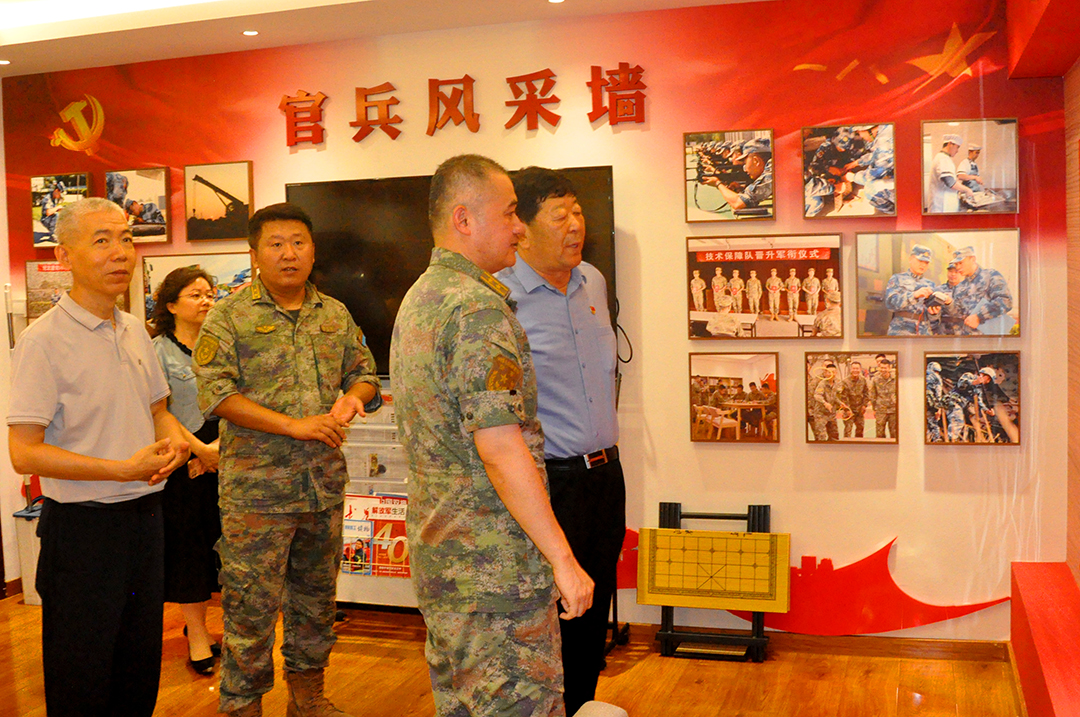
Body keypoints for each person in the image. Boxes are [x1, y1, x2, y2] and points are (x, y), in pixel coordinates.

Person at [389, 155, 593, 717]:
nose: (520, 228)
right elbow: (500, 448)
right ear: (464, 220)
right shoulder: (477, 309)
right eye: (509, 213)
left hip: (445, 560)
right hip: (495, 573)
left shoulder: (421, 298)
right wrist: (563, 559)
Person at [194, 202, 382, 717]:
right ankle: (242, 704)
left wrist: (355, 398)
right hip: (256, 495)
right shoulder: (229, 316)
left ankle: (307, 696)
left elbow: (364, 372)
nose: (288, 253)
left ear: (313, 250)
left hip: (321, 487)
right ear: (255, 254)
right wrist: (292, 426)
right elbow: (216, 395)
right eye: (275, 244)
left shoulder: (334, 314)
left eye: (298, 242)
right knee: (249, 608)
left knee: (316, 603)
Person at [7, 197, 190, 715]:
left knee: (138, 666)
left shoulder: (133, 328)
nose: (120, 253)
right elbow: (23, 452)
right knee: (82, 676)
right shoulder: (43, 342)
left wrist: (176, 441)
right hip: (83, 532)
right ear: (65, 256)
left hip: (145, 520)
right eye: (102, 240)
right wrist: (120, 470)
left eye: (126, 239)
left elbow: (158, 409)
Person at [497, 166, 625, 715]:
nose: (576, 225)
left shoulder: (592, 279)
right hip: (549, 481)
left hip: (606, 475)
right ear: (521, 227)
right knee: (545, 614)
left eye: (578, 212)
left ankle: (581, 707)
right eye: (559, 216)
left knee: (593, 610)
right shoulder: (499, 296)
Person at [149, 266, 223, 676]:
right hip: (183, 458)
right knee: (189, 551)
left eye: (210, 293)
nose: (206, 300)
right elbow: (159, 411)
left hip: (226, 453)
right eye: (196, 294)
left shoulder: (224, 345)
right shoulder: (157, 352)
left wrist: (218, 451)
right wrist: (200, 452)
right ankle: (196, 633)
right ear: (172, 305)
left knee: (225, 547)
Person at [948, 246, 1013, 335]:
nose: (958, 267)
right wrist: (948, 304)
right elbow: (958, 314)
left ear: (973, 259)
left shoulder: (990, 276)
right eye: (956, 264)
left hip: (989, 338)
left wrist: (979, 316)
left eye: (960, 263)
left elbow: (1006, 301)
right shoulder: (959, 287)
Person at [884, 244, 937, 335]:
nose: (923, 265)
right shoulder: (897, 278)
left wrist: (935, 312)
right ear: (910, 259)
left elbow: (933, 317)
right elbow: (890, 303)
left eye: (926, 262)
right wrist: (914, 295)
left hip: (924, 331)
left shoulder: (931, 284)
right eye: (920, 260)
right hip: (901, 329)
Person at [714, 137, 773, 213]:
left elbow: (738, 203)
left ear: (756, 161)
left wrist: (717, 183)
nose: (745, 169)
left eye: (745, 163)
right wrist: (742, 189)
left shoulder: (771, 172)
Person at [945, 367, 995, 442]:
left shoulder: (979, 389)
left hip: (961, 404)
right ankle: (951, 440)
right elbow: (960, 384)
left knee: (960, 421)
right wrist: (974, 382)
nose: (987, 382)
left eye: (989, 381)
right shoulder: (969, 376)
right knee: (958, 420)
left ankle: (953, 439)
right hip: (953, 401)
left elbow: (979, 402)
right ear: (982, 374)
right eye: (987, 379)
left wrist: (987, 410)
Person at [928, 134, 975, 213]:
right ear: (950, 144)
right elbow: (950, 182)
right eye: (957, 147)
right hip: (942, 206)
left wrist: (959, 185)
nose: (957, 151)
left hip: (945, 205)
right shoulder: (943, 159)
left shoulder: (944, 158)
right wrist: (967, 190)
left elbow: (950, 180)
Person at [839, 360, 870, 438]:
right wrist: (847, 409)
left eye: (857, 368)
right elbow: (843, 397)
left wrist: (864, 405)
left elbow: (866, 394)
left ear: (860, 369)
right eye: (853, 368)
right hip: (849, 410)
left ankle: (859, 445)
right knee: (848, 431)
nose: (855, 370)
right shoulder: (845, 381)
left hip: (860, 410)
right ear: (850, 369)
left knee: (860, 430)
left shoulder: (863, 380)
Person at [810, 361, 840, 441]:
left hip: (831, 414)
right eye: (829, 372)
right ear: (826, 373)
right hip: (821, 414)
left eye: (833, 372)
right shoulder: (822, 383)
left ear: (836, 373)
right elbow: (817, 395)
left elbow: (835, 397)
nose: (831, 374)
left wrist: (841, 404)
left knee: (834, 436)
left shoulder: (837, 383)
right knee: (821, 437)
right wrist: (825, 403)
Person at [869, 360, 898, 439]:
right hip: (881, 410)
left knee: (894, 434)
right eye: (881, 368)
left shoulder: (895, 379)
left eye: (885, 368)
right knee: (880, 433)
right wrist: (874, 409)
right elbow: (873, 395)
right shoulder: (875, 379)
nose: (883, 370)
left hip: (893, 410)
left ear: (889, 368)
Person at [925, 361, 945, 442]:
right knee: (933, 424)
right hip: (931, 406)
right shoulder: (937, 379)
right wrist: (939, 409)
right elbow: (938, 394)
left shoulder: (925, 377)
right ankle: (936, 439)